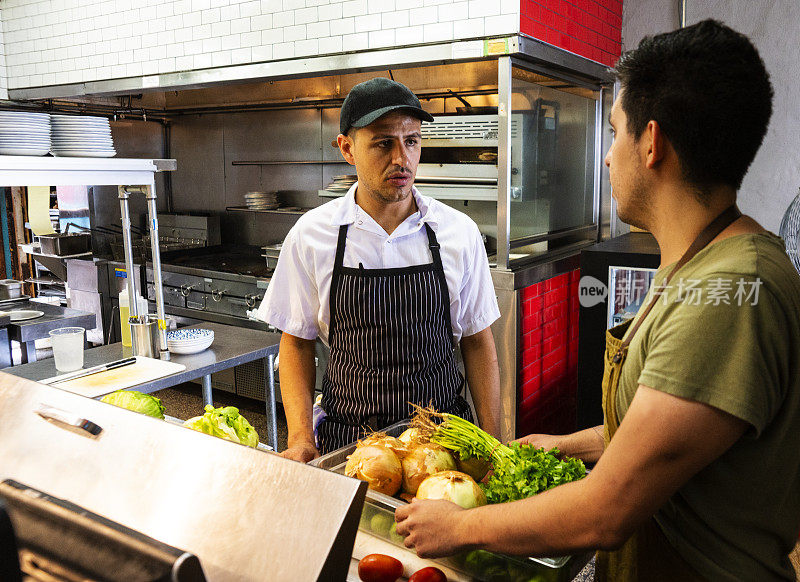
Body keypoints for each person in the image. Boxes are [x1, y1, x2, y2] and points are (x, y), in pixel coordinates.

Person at [395, 19, 800, 582]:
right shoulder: (698, 264)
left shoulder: (729, 297)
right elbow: (660, 431)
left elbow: (609, 508)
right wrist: (568, 446)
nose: (607, 158)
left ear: (652, 144)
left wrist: (461, 527)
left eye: (614, 133)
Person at [258, 77, 501, 461]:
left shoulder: (458, 233)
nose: (401, 158)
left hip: (441, 446)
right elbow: (296, 343)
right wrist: (301, 439)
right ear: (347, 148)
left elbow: (477, 341)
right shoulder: (312, 235)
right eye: (383, 143)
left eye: (412, 141)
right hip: (350, 448)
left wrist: (493, 446)